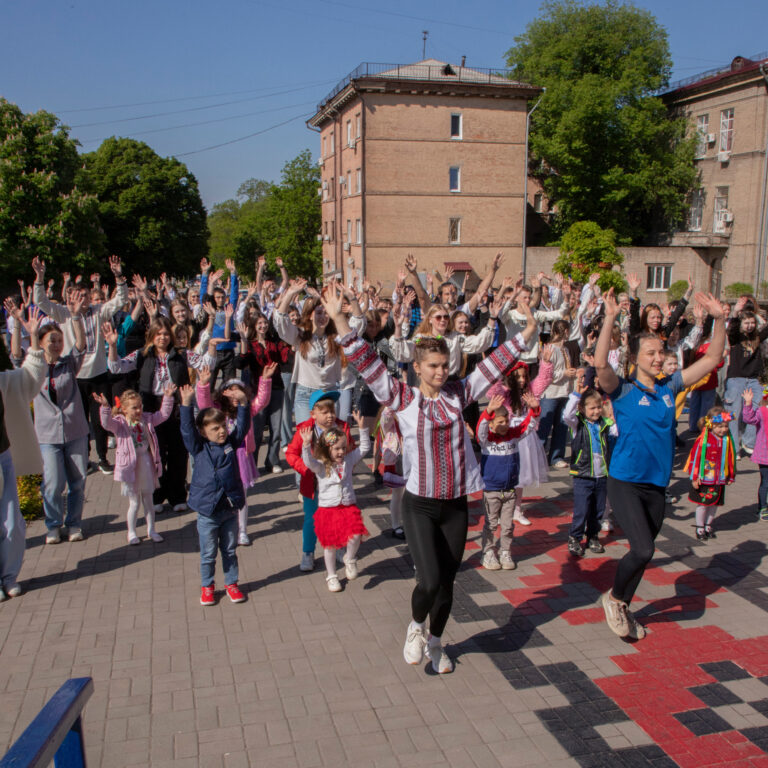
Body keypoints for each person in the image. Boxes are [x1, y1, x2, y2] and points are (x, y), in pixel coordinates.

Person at [321, 279, 537, 674]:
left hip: (455, 504)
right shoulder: (402, 397)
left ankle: (437, 644)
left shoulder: (460, 392)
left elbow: (494, 364)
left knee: (449, 583)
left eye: (444, 365)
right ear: (417, 367)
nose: (440, 371)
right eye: (432, 366)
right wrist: (338, 317)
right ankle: (416, 626)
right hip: (420, 505)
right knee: (429, 581)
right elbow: (367, 362)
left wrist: (525, 332)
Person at [594, 289, 726, 641]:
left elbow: (713, 358)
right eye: (649, 353)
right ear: (635, 358)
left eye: (661, 352)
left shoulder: (671, 387)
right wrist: (609, 318)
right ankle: (615, 599)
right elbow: (600, 365)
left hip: (656, 486)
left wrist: (720, 319)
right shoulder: (621, 390)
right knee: (643, 549)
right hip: (624, 481)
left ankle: (622, 603)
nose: (657, 358)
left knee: (643, 555)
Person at [32, 255, 129, 474]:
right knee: (79, 419)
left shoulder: (99, 311)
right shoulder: (64, 314)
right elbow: (41, 302)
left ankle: (103, 457)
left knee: (100, 419)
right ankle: (84, 458)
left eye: (85, 295)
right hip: (74, 374)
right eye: (78, 295)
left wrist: (118, 275)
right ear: (70, 297)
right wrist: (39, 277)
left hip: (98, 375)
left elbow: (120, 299)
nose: (82, 299)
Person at [24, 292, 90, 543]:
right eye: (52, 340)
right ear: (41, 343)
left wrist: (75, 317)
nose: (56, 345)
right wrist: (29, 331)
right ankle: (53, 525)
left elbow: (81, 345)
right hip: (47, 434)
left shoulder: (68, 364)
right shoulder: (34, 368)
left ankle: (74, 524)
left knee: (78, 481)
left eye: (59, 341)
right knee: (52, 484)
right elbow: (20, 359)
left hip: (75, 431)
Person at [179, 383, 250, 606]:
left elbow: (243, 426)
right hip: (208, 513)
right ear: (203, 432)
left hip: (229, 510)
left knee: (229, 550)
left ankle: (231, 583)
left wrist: (244, 403)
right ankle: (208, 587)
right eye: (214, 429)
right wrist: (185, 403)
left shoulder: (231, 442)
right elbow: (187, 430)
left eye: (222, 426)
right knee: (208, 554)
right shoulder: (198, 447)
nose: (221, 431)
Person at [195, 365, 274, 546]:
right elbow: (203, 404)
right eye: (231, 390)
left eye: (239, 391)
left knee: (242, 495)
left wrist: (266, 380)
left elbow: (262, 400)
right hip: (221, 458)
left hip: (241, 457)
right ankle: (221, 527)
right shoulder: (216, 411)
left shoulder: (246, 410)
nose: (236, 395)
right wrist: (204, 384)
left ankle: (242, 531)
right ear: (223, 393)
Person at [0, 310, 45, 600]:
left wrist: (34, 343)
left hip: (2, 453)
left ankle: (8, 576)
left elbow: (27, 380)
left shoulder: (2, 380)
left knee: (12, 522)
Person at [299, 412, 370, 593]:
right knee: (329, 546)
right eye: (337, 448)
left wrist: (362, 430)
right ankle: (331, 575)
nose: (341, 452)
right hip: (328, 509)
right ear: (327, 449)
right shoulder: (320, 465)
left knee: (355, 535)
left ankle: (350, 558)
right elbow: (308, 462)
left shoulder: (348, 459)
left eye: (343, 448)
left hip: (348, 506)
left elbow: (364, 449)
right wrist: (306, 444)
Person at [285, 390, 355, 571]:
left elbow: (351, 450)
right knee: (311, 519)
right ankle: (308, 552)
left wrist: (345, 462)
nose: (330, 416)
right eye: (324, 412)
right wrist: (305, 468)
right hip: (312, 485)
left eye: (332, 411)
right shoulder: (305, 429)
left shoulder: (342, 428)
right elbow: (291, 453)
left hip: (335, 486)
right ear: (313, 414)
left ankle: (338, 547)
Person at [96, 388, 175, 544]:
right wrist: (105, 407)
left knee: (148, 500)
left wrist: (167, 397)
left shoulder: (146, 419)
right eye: (134, 407)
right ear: (124, 409)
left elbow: (163, 415)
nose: (138, 410)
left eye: (140, 406)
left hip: (146, 463)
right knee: (134, 502)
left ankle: (151, 530)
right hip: (131, 467)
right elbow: (106, 424)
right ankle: (131, 533)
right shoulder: (119, 423)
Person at [476, 392, 540, 571]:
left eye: (506, 421)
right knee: (491, 524)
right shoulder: (486, 440)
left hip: (510, 490)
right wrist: (488, 411)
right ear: (491, 424)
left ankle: (505, 551)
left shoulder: (514, 435)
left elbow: (529, 425)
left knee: (507, 526)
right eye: (499, 422)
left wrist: (534, 409)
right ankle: (488, 552)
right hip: (491, 491)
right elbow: (480, 428)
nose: (504, 425)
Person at [562, 387, 616, 557]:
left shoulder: (605, 424)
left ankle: (593, 535)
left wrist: (614, 416)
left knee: (598, 509)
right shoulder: (577, 424)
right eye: (591, 408)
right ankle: (575, 537)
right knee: (582, 509)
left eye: (598, 407)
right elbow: (566, 415)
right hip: (583, 475)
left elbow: (617, 432)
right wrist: (576, 395)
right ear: (582, 408)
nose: (596, 411)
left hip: (601, 475)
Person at [683, 406, 736, 540]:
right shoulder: (704, 440)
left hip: (719, 478)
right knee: (703, 504)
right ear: (710, 425)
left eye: (725, 426)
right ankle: (700, 527)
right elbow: (695, 459)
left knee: (714, 504)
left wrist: (730, 475)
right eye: (719, 426)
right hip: (705, 478)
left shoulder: (727, 439)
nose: (723, 429)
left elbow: (730, 459)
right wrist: (695, 477)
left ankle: (708, 525)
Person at [742, 387, 768, 521]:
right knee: (766, 482)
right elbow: (748, 418)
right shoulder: (763, 411)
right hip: (765, 456)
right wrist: (748, 403)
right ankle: (762, 507)